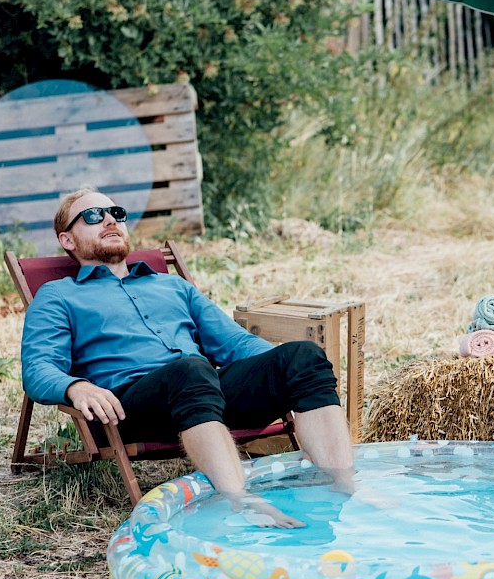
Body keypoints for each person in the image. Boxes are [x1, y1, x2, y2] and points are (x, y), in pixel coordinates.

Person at [21, 187, 354, 527]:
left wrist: (287, 371)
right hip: (130, 406)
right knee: (190, 370)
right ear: (67, 240)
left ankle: (345, 486)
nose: (109, 220)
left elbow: (235, 343)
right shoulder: (59, 295)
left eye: (116, 213)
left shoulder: (173, 287)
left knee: (304, 355)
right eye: (93, 216)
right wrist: (76, 387)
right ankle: (242, 501)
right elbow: (37, 368)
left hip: (202, 394)